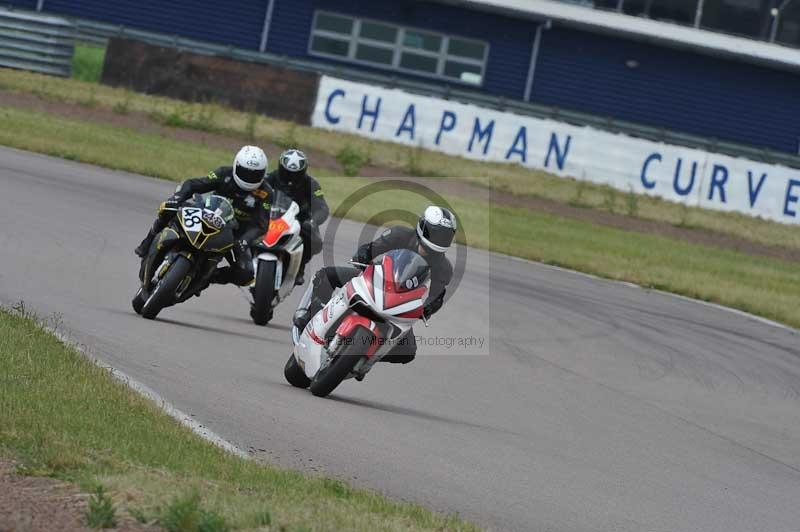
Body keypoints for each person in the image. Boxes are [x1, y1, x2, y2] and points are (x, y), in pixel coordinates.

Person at [293, 206, 457, 364]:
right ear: (423, 227)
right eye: (437, 234)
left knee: (408, 351)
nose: (440, 240)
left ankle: (364, 358)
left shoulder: (444, 268)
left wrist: (428, 308)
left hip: (402, 302)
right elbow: (372, 249)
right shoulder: (400, 234)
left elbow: (436, 296)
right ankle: (310, 317)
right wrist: (363, 256)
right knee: (326, 275)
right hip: (375, 278)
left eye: (445, 236)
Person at [134, 145, 272, 287]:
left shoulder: (266, 192)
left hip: (235, 235)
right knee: (168, 209)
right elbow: (194, 184)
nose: (249, 178)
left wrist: (244, 240)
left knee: (246, 275)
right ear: (236, 165)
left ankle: (209, 277)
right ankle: (147, 243)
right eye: (245, 172)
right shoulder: (224, 173)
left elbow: (261, 225)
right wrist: (177, 198)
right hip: (208, 214)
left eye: (254, 174)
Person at [264, 149, 329, 285]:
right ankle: (243, 258)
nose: (290, 177)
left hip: (299, 220)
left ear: (303, 171)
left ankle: (299, 267)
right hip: (272, 216)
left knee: (314, 241)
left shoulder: (311, 183)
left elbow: (322, 207)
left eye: (295, 174)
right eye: (287, 172)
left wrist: (313, 221)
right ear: (281, 167)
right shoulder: (270, 178)